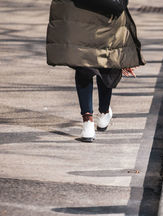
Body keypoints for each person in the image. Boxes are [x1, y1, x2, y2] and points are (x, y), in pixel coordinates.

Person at [46, 0, 145, 142]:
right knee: (105, 63)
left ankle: (88, 123)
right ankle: (104, 113)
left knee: (83, 66)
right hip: (106, 18)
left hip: (80, 17)